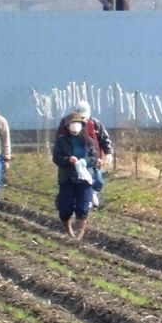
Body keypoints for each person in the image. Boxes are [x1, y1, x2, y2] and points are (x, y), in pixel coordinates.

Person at [52, 112, 99, 240]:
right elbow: (56, 158)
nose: (75, 126)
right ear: (67, 126)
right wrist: (68, 160)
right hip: (67, 177)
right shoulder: (61, 141)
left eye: (77, 123)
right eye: (72, 124)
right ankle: (69, 231)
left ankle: (78, 235)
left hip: (84, 178)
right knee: (65, 209)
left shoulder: (88, 141)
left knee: (83, 207)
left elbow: (94, 157)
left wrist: (86, 162)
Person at [59, 101, 113, 208]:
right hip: (73, 162)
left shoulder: (95, 125)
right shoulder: (65, 124)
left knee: (98, 180)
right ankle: (80, 201)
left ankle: (91, 194)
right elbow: (60, 140)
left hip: (92, 159)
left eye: (85, 118)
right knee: (78, 182)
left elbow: (105, 139)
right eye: (81, 118)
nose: (84, 121)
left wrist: (108, 153)